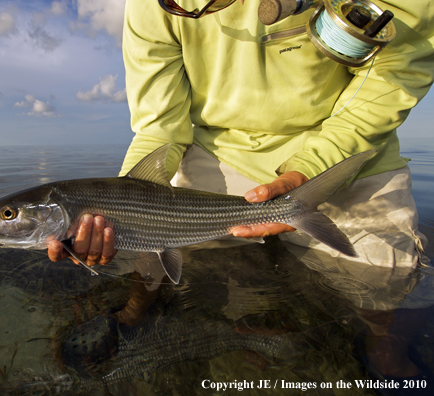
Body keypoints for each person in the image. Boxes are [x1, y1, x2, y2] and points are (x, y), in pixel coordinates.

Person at [48, 0, 434, 381]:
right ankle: (133, 315)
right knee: (153, 244)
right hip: (218, 147)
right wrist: (123, 209)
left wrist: (311, 169)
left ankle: (385, 339)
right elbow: (159, 126)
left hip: (343, 139)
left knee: (385, 273)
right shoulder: (150, 6)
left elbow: (395, 75)